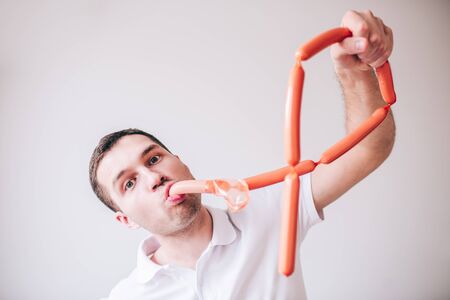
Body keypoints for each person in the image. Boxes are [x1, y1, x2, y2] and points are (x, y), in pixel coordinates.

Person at [89, 9, 396, 300]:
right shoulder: (127, 296)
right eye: (129, 183)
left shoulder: (271, 208)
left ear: (181, 161)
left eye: (154, 159)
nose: (153, 177)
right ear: (124, 219)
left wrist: (353, 69)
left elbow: (369, 149)